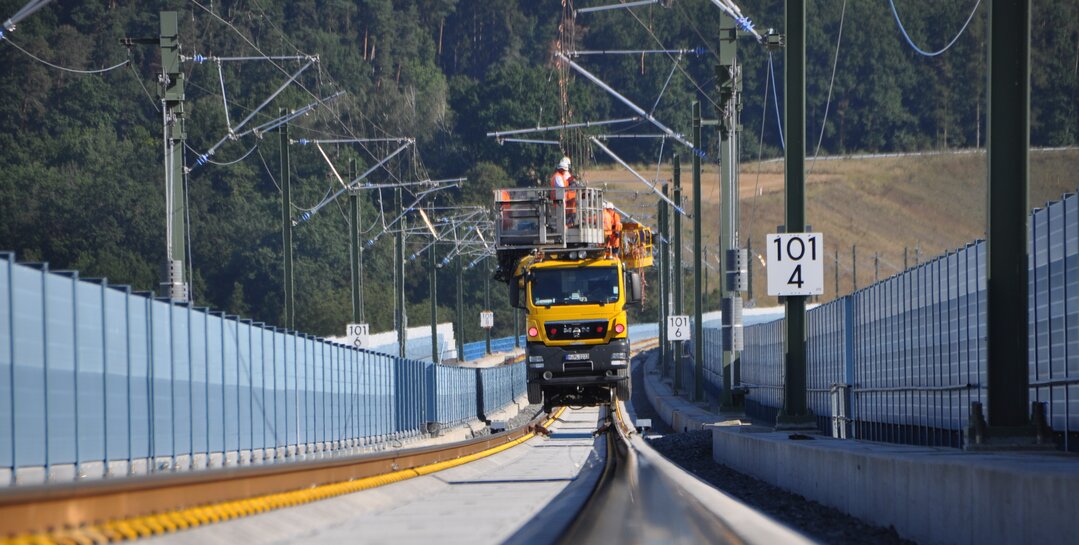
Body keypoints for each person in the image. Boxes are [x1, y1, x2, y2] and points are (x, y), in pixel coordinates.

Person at [550, 156, 577, 225]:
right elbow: (562, 188)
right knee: (563, 220)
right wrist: (571, 185)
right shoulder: (558, 176)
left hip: (564, 201)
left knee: (567, 218)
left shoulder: (559, 176)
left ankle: (567, 225)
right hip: (561, 201)